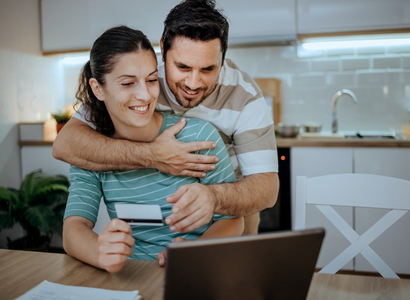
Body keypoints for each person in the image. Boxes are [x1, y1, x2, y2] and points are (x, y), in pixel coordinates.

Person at [54, 0, 279, 235]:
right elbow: (65, 144)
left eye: (208, 69)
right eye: (182, 67)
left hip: (230, 211)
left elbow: (266, 189)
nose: (193, 83)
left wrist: (214, 197)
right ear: (163, 50)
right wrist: (153, 156)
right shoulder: (144, 78)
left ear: (222, 57)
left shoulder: (246, 97)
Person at [63, 26, 244, 273]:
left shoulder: (198, 136)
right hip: (132, 277)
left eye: (150, 80)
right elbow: (74, 229)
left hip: (196, 273)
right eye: (128, 83)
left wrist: (197, 249)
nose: (145, 95)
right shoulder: (94, 152)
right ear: (98, 89)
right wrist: (102, 253)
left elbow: (232, 219)